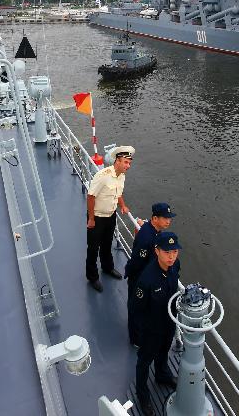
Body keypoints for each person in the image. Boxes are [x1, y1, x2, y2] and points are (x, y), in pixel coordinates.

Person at [130, 231, 181, 416]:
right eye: (167, 252)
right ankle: (143, 395)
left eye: (175, 251)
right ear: (157, 251)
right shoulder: (147, 280)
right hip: (151, 329)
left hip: (169, 323)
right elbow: (136, 309)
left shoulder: (175, 267)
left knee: (164, 351)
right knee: (144, 361)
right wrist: (145, 332)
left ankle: (162, 374)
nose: (172, 256)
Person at [125, 202, 176, 346]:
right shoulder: (146, 237)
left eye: (169, 218)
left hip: (147, 278)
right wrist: (136, 280)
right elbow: (137, 262)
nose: (168, 221)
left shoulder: (153, 230)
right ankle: (135, 340)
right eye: (165, 218)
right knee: (136, 309)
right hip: (139, 279)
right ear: (155, 219)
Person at [85, 145, 134, 292]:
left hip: (111, 215)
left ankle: (107, 268)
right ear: (117, 161)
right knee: (93, 248)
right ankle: (92, 277)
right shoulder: (103, 175)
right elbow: (91, 196)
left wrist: (123, 206)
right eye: (126, 162)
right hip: (97, 217)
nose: (128, 166)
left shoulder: (122, 176)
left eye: (129, 163)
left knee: (107, 244)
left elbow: (118, 194)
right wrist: (92, 219)